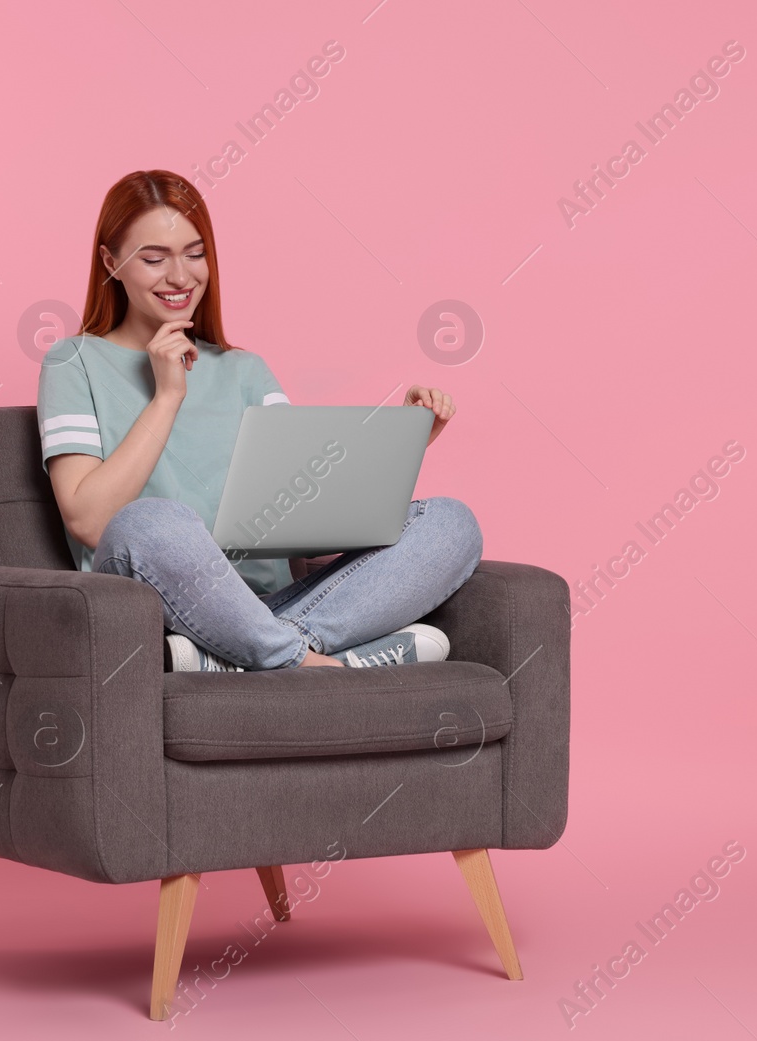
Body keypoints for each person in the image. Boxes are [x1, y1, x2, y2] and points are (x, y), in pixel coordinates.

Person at [36, 170, 482, 672]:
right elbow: (91, 522)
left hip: (277, 606)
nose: (181, 277)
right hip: (166, 606)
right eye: (154, 259)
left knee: (450, 523)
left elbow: (305, 512)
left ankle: (250, 655)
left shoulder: (246, 371)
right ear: (111, 262)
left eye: (195, 253)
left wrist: (402, 445)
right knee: (152, 521)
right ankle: (314, 663)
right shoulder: (73, 362)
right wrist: (166, 397)